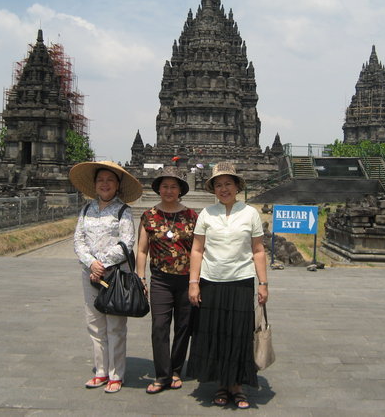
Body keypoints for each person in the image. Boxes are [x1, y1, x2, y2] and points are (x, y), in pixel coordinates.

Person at [186, 162, 268, 409]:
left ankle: (237, 385)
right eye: (219, 185)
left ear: (237, 186)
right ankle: (222, 383)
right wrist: (193, 283)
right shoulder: (206, 214)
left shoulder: (250, 213)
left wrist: (263, 283)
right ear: (213, 189)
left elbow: (258, 250)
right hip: (211, 281)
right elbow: (197, 250)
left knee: (239, 334)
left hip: (241, 281)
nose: (224, 189)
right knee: (216, 333)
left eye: (228, 184)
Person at [69, 161, 143, 394]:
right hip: (90, 273)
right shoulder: (86, 210)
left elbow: (127, 242)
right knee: (95, 323)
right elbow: (78, 240)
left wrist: (103, 264)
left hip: (116, 275)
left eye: (110, 180)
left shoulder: (123, 211)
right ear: (94, 185)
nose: (105, 184)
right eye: (100, 180)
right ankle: (101, 371)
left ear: (118, 185)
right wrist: (92, 263)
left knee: (115, 325)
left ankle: (116, 374)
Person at [136, 166, 198, 394]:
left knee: (183, 327)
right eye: (165, 186)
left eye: (173, 186)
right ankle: (162, 374)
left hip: (186, 280)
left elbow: (197, 251)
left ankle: (175, 370)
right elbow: (141, 250)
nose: (169, 190)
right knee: (159, 327)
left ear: (180, 190)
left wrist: (195, 281)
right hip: (160, 280)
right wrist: (140, 277)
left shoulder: (192, 216)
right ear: (158, 189)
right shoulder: (149, 216)